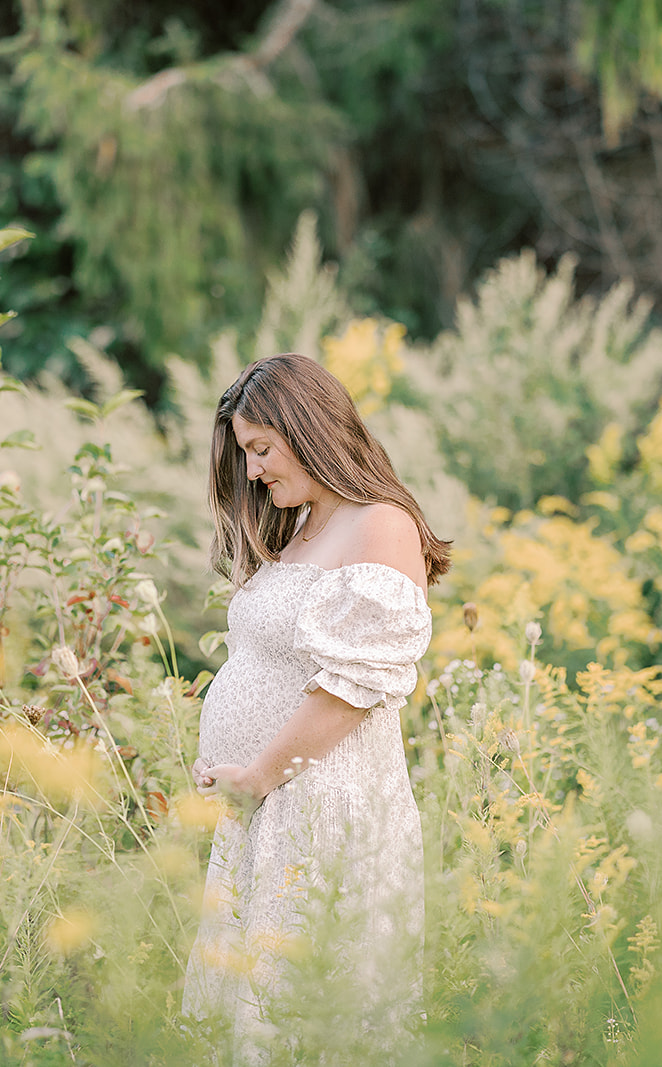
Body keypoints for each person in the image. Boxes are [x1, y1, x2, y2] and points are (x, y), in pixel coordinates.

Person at [182, 353, 451, 1061]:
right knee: (255, 1015)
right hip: (266, 806)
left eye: (261, 449)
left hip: (324, 810)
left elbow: (350, 689)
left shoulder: (379, 525)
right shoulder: (299, 530)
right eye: (246, 456)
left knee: (308, 1014)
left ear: (310, 429)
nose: (255, 471)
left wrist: (260, 773)